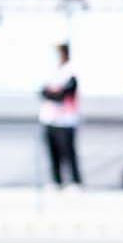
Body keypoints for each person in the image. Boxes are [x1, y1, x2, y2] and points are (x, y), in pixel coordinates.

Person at [39, 42, 81, 188]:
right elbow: (43, 93)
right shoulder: (51, 72)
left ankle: (75, 182)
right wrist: (54, 93)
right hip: (50, 119)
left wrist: (54, 93)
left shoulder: (71, 73)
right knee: (53, 153)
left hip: (66, 120)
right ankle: (57, 182)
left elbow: (64, 94)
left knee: (68, 153)